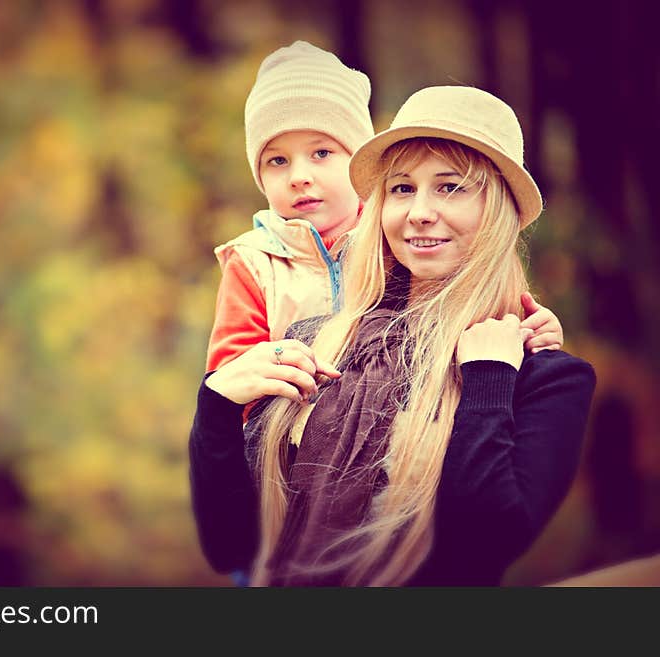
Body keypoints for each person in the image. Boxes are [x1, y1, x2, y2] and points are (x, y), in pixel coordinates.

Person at [189, 85, 596, 586]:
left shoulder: (544, 377)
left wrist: (487, 380)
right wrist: (218, 407)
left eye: (451, 187)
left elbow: (487, 541)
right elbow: (231, 544)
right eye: (402, 188)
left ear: (500, 210)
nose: (420, 211)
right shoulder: (318, 343)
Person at [206, 41, 564, 376]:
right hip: (286, 422)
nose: (299, 176)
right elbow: (231, 374)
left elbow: (468, 293)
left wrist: (531, 325)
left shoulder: (395, 237)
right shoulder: (254, 261)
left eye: (321, 153)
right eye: (277, 160)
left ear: (359, 163)